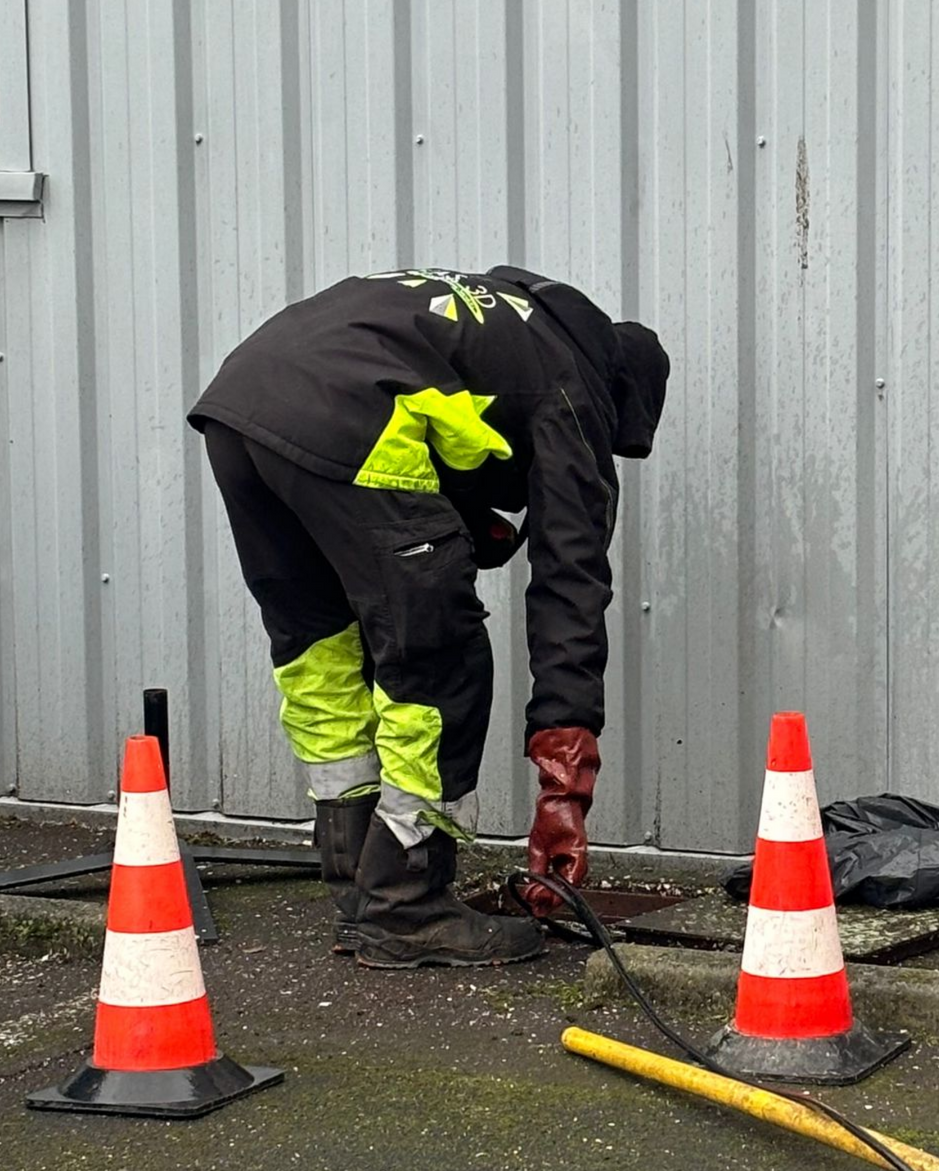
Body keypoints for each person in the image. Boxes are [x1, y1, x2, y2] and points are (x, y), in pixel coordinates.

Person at [189, 266, 669, 968]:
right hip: (352, 411)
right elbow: (571, 581)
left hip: (241, 406)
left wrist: (469, 529)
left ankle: (360, 883)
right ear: (620, 391)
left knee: (322, 649)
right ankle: (407, 905)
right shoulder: (574, 385)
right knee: (441, 661)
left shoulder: (502, 325)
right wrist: (566, 783)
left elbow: (436, 453)